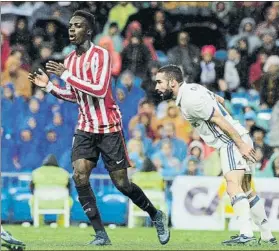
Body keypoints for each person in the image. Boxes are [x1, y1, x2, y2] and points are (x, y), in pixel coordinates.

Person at [28, 10, 169, 246]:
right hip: (85, 126)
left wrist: (66, 75)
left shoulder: (101, 55)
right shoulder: (71, 60)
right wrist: (49, 87)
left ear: (89, 31)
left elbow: (99, 90)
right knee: (79, 175)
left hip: (109, 126)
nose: (71, 29)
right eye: (70, 26)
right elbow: (75, 95)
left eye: (78, 26)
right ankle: (101, 234)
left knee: (122, 183)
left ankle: (156, 215)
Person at [155, 64, 277, 246]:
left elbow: (219, 119)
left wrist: (240, 144)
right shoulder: (194, 88)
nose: (157, 87)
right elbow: (219, 99)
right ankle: (267, 236)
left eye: (160, 82)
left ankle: (246, 234)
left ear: (172, 82)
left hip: (231, 142)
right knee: (247, 189)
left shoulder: (189, 100)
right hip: (240, 136)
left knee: (233, 186)